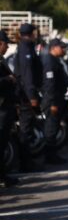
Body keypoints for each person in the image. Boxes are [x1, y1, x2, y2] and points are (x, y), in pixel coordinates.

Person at [13, 23, 43, 172]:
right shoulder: (25, 48)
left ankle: (28, 161)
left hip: (27, 93)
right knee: (26, 129)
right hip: (26, 95)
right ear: (31, 34)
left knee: (28, 128)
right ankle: (25, 163)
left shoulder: (27, 47)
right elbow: (27, 75)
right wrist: (32, 96)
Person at [41, 38, 68, 165]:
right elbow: (50, 85)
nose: (63, 50)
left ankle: (53, 155)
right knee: (51, 129)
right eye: (61, 47)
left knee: (55, 127)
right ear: (54, 48)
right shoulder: (49, 62)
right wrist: (52, 103)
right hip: (52, 100)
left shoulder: (55, 60)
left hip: (58, 98)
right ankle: (49, 156)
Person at [0, 30, 20, 187]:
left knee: (3, 144)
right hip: (1, 109)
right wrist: (7, 79)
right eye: (5, 44)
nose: (7, 47)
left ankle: (2, 175)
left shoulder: (2, 60)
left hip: (6, 107)